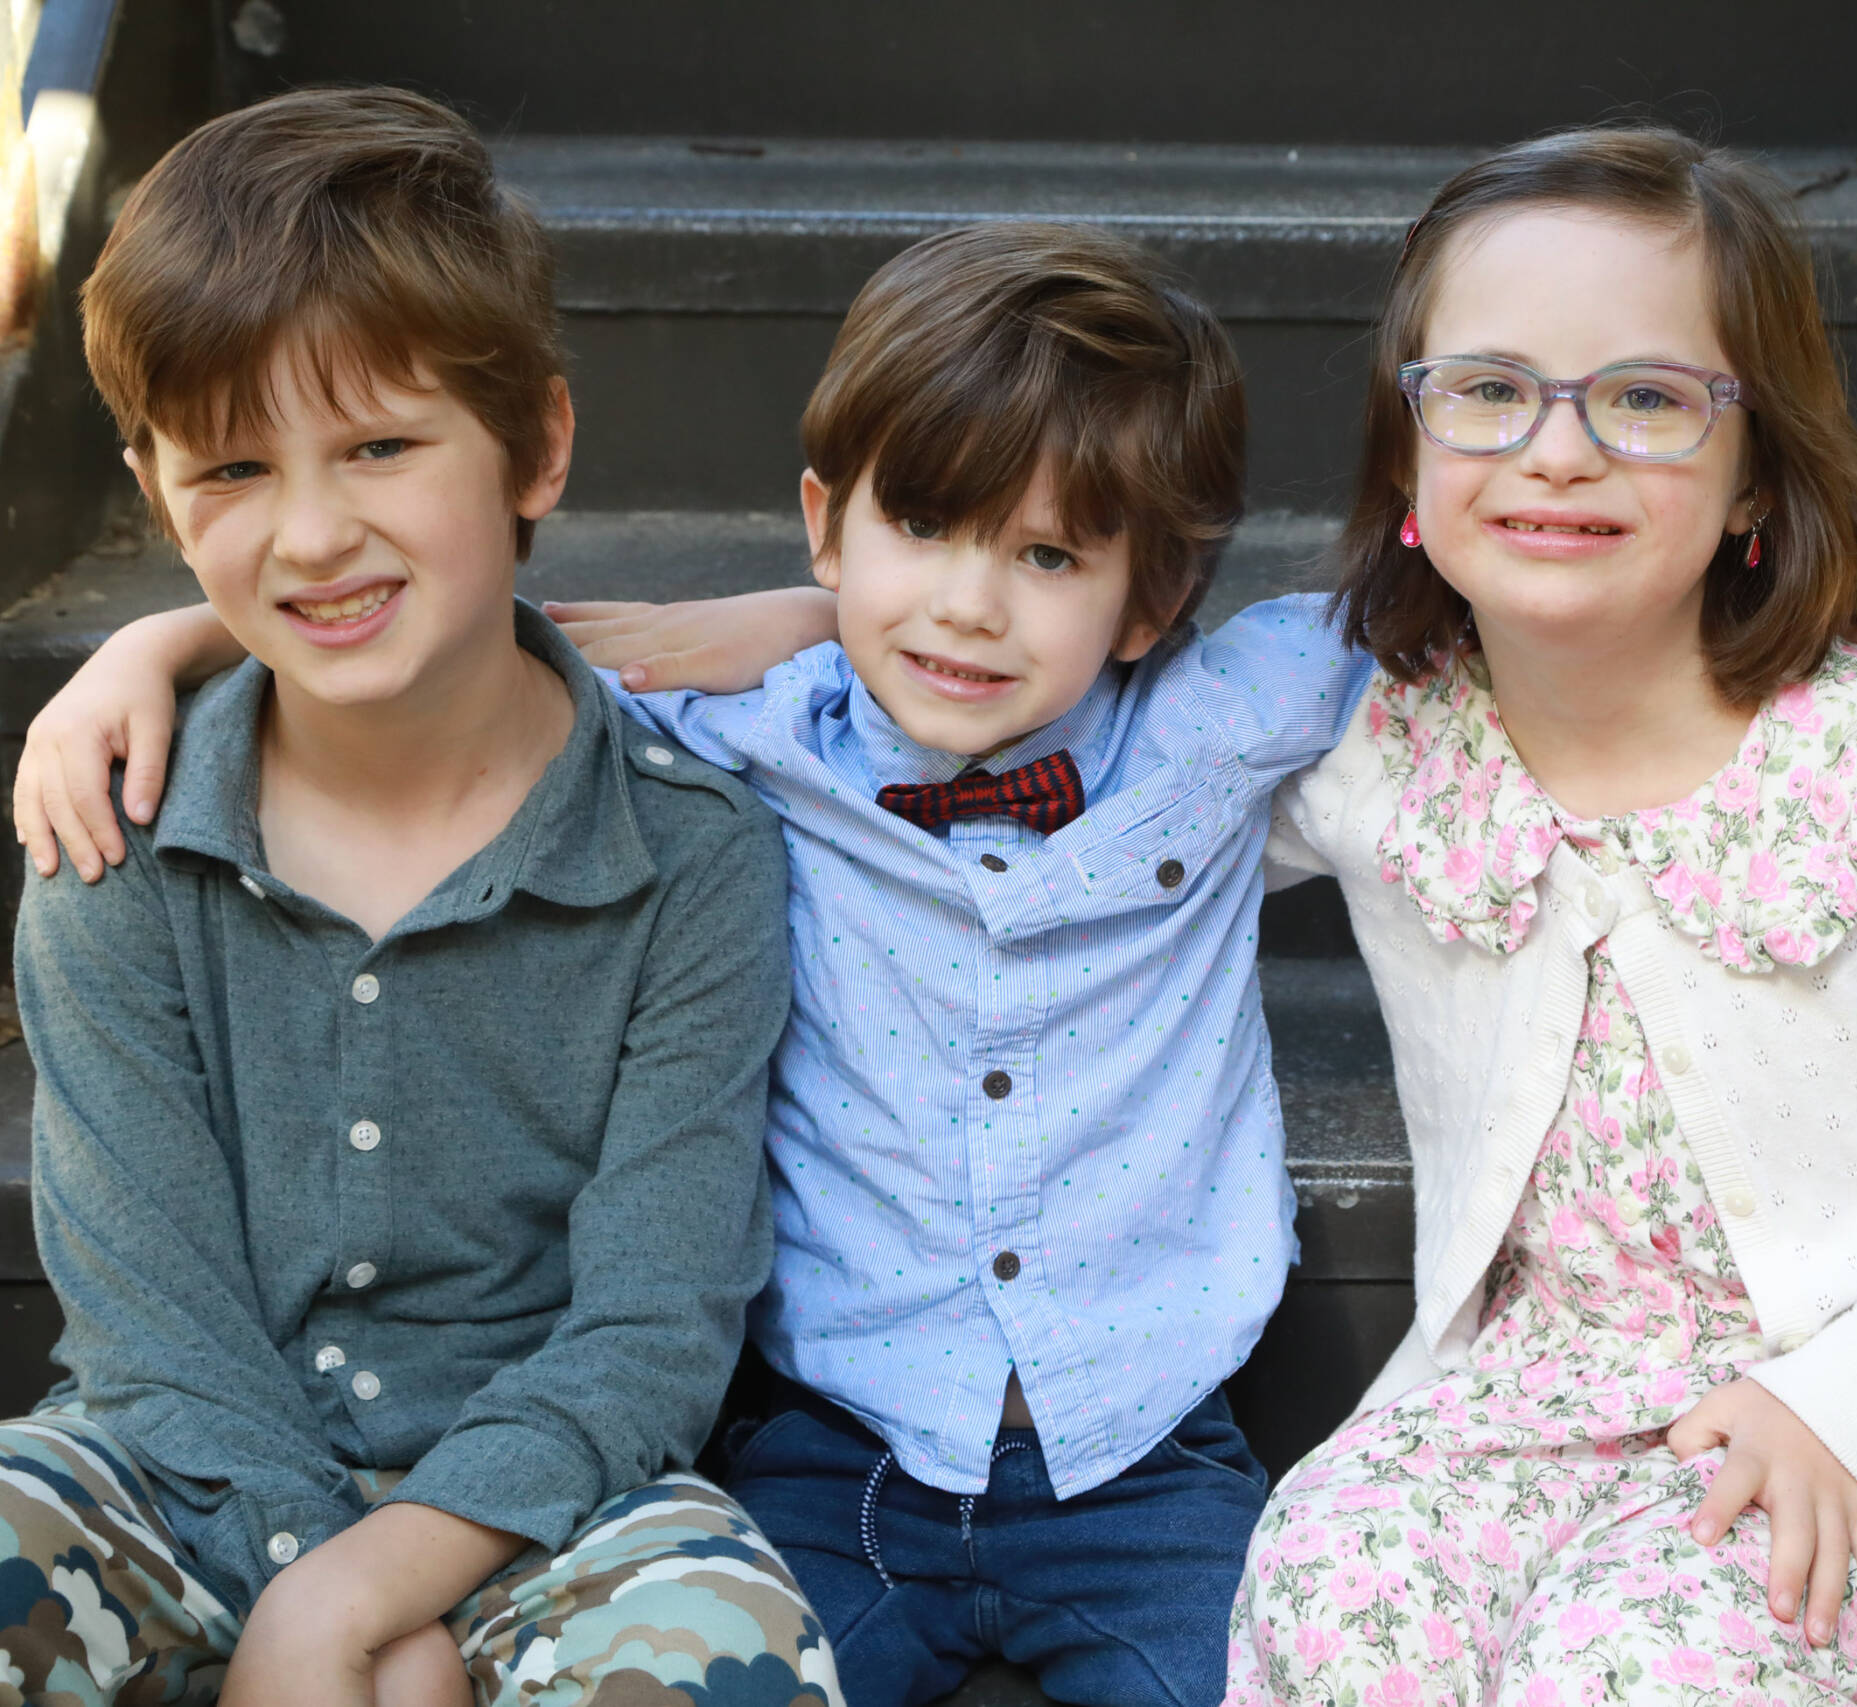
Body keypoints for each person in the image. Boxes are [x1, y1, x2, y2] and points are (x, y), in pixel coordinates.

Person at [13, 219, 1376, 1707]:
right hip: (844, 1456)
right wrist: (151, 648)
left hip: (1142, 1448)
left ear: (1158, 598)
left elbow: (1452, 596)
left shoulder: (1221, 724)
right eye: (919, 529)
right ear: (824, 520)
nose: (972, 607)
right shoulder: (747, 737)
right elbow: (407, 644)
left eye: (1050, 556)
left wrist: (827, 613)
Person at [1218, 128, 1857, 1704]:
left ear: (1756, 467)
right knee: (1332, 1600)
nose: (1556, 451)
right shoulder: (1388, 759)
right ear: (1408, 453)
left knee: (1626, 1683)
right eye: (1488, 390)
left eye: (1644, 397)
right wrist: (808, 627)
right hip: (1529, 1394)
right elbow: (1118, 779)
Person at [3, 87, 830, 1705]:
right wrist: (316, 1579)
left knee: (728, 1659)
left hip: (556, 1507)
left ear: (539, 445)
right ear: (157, 494)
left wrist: (369, 1599)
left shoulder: (693, 858)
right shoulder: (118, 837)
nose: (313, 534)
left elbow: (658, 1324)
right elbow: (149, 1321)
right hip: (177, 1471)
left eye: (381, 446)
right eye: (232, 467)